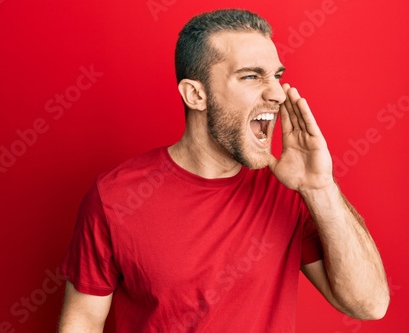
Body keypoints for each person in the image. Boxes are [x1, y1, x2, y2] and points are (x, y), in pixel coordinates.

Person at [58, 9, 389, 332]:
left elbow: (369, 305)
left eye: (277, 75)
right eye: (250, 76)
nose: (276, 93)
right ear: (196, 95)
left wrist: (320, 188)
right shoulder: (116, 197)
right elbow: (83, 319)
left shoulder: (288, 190)